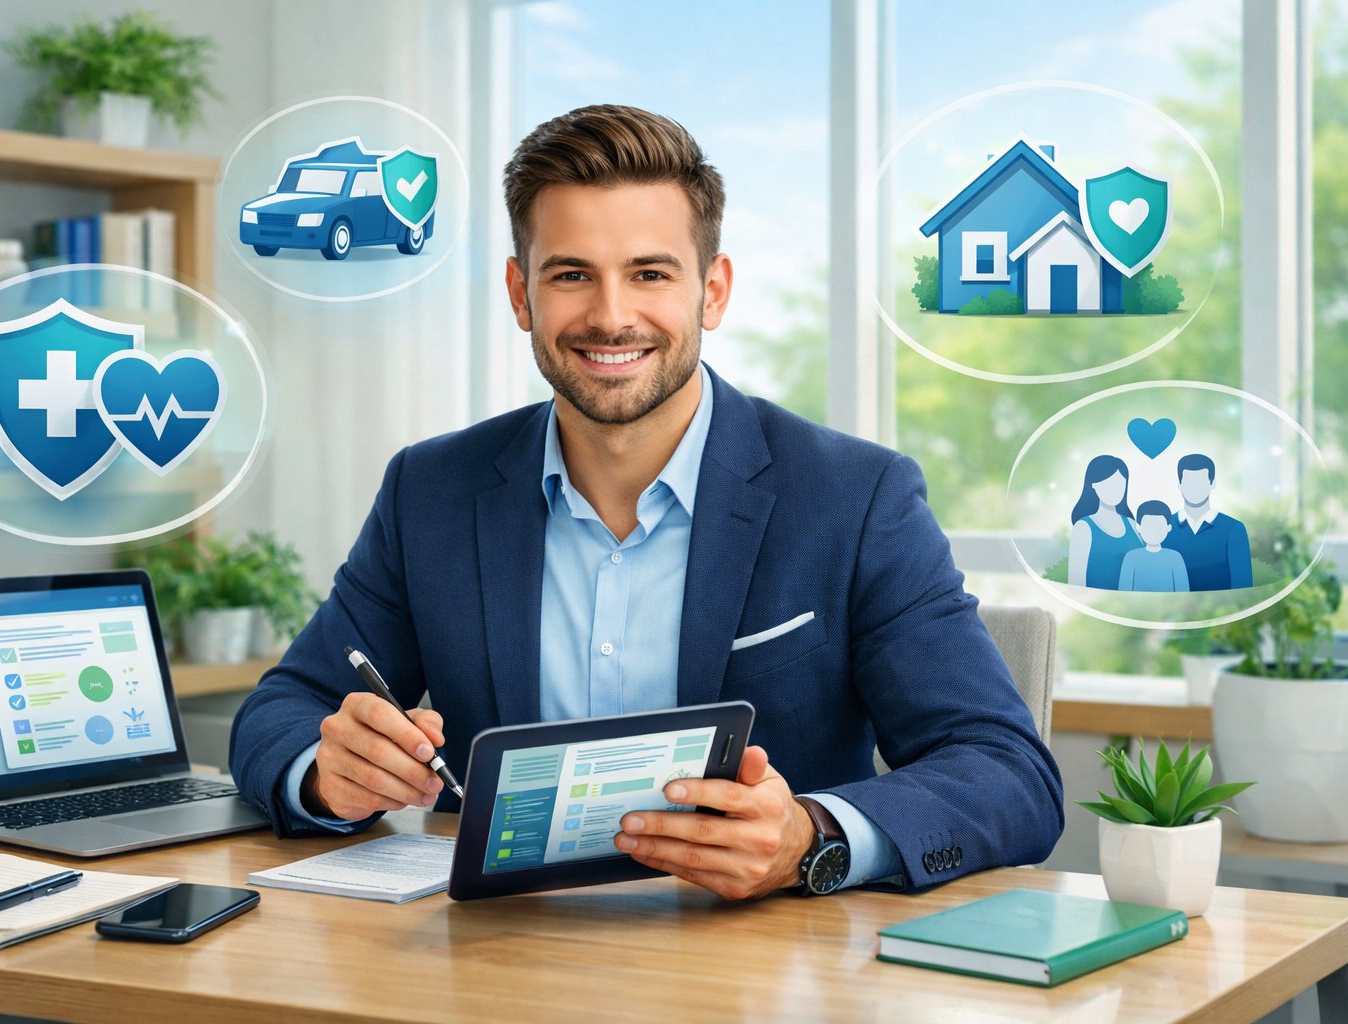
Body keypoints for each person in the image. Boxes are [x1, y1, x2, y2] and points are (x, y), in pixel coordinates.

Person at [229, 104, 1063, 900]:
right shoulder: (431, 491)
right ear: (522, 296)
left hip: (763, 970)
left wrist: (811, 838)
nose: (611, 315)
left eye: (650, 273)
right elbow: (282, 709)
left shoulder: (855, 497)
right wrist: (322, 771)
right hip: (490, 960)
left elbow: (1005, 771)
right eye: (572, 275)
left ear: (713, 290)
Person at [1164, 453, 1252, 591]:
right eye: (1189, 482)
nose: (1194, 488)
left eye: (1200, 481)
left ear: (1213, 483)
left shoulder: (1234, 529)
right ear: (1179, 484)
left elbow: (1243, 587)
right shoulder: (1163, 528)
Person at [1067, 455, 1140, 590]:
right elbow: (1076, 581)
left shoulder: (1132, 524)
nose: (1115, 490)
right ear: (1093, 484)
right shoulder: (1083, 527)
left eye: (1120, 484)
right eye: (1109, 484)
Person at [1118, 500, 1190, 593]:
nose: (1153, 530)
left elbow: (1183, 592)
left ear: (1168, 527)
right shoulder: (1131, 557)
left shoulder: (1175, 558)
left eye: (1159, 525)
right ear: (1139, 527)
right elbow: (1123, 592)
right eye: (1148, 525)